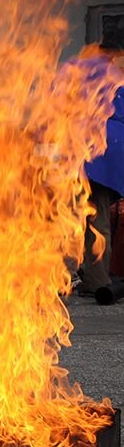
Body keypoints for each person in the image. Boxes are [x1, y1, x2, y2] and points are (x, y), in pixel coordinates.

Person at [78, 53, 124, 297]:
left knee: (91, 219)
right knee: (97, 218)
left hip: (95, 156)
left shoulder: (87, 81)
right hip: (110, 159)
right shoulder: (117, 84)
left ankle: (95, 279)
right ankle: (94, 277)